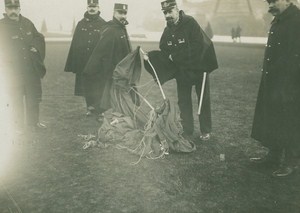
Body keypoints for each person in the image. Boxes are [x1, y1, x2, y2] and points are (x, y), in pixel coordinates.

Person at [251, 0, 300, 177]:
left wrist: (288, 85)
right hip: (274, 81)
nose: (270, 5)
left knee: (291, 121)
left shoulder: (296, 20)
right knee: (274, 118)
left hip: (291, 83)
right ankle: (273, 156)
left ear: (288, 1)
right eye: (268, 1)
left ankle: (291, 162)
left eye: (274, 1)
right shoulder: (279, 19)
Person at [159, 0, 218, 141]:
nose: (168, 15)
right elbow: (163, 46)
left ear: (177, 9)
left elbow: (198, 46)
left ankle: (205, 130)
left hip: (200, 67)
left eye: (170, 11)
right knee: (183, 101)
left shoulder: (190, 22)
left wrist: (176, 56)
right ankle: (187, 130)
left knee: (203, 99)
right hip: (183, 70)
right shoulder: (167, 30)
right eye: (165, 12)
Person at [0, 0, 47, 132]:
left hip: (30, 69)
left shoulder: (27, 23)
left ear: (20, 9)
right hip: (12, 71)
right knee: (15, 98)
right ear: (6, 9)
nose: (13, 11)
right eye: (10, 8)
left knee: (33, 96)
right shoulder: (1, 26)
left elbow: (39, 37)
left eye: (15, 8)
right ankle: (17, 126)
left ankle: (34, 122)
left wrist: (36, 48)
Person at [83, 3, 132, 116]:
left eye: (125, 13)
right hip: (113, 69)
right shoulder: (111, 29)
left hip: (122, 69)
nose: (123, 16)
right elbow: (101, 51)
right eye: (120, 13)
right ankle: (104, 113)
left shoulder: (121, 28)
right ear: (114, 13)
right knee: (107, 94)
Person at [64, 0, 106, 117]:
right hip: (84, 62)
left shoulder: (104, 24)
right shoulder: (81, 24)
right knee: (87, 86)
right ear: (87, 7)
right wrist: (75, 63)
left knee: (98, 86)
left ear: (98, 7)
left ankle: (99, 110)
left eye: (94, 6)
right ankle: (90, 108)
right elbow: (75, 44)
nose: (92, 8)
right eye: (90, 6)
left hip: (98, 63)